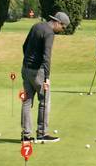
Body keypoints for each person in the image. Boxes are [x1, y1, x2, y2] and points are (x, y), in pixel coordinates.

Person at [20, 12, 70, 143]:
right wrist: (47, 77)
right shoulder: (49, 33)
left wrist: (29, 61)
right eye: (63, 27)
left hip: (25, 69)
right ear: (58, 22)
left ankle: (26, 136)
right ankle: (42, 133)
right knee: (44, 101)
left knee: (27, 102)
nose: (62, 30)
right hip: (38, 72)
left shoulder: (36, 26)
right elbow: (47, 57)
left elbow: (24, 46)